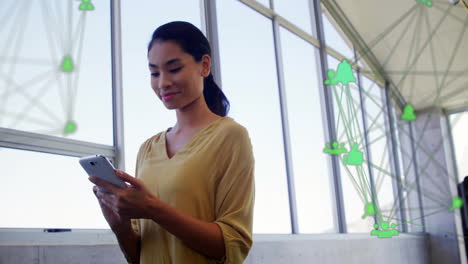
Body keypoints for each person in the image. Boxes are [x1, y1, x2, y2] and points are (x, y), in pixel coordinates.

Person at [88, 21, 255, 264]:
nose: (162, 82)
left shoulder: (231, 137)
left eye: (174, 69)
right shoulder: (147, 148)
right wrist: (120, 226)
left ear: (204, 66)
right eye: (154, 73)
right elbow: (139, 257)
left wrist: (153, 209)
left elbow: (231, 245)